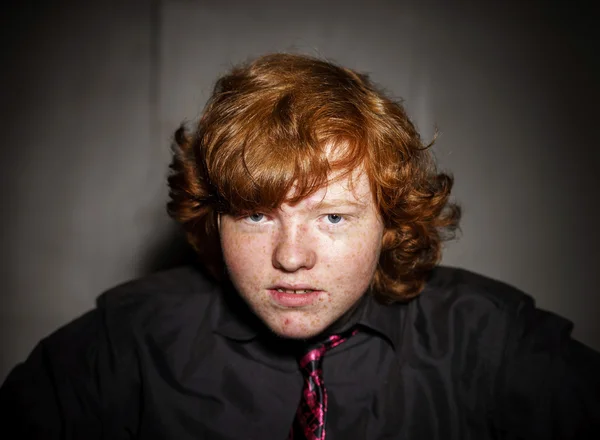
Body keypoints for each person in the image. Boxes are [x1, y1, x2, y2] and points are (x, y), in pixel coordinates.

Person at [1, 53, 599, 439]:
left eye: (334, 216)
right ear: (215, 222)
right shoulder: (126, 341)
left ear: (391, 223)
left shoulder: (492, 340)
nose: (291, 257)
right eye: (257, 215)